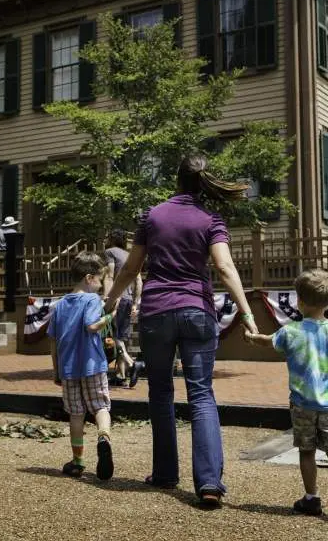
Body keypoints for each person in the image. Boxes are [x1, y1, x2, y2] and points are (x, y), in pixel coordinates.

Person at [104, 155, 258, 508]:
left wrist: (111, 301)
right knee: (201, 394)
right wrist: (246, 313)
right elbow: (224, 266)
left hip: (157, 313)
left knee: (160, 392)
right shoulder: (211, 220)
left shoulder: (152, 216)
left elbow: (130, 269)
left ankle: (165, 473)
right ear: (204, 182)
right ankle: (208, 484)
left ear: (176, 180)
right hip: (197, 312)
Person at [244, 269, 328, 517]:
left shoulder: (290, 332)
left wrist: (251, 336)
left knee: (307, 451)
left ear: (299, 302)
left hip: (302, 404)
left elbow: (267, 341)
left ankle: (311, 497)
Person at [47, 251, 116, 480]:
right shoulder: (92, 300)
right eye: (99, 279)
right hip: (93, 365)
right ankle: (103, 437)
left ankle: (77, 461)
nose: (99, 285)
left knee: (76, 414)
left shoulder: (59, 306)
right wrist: (110, 316)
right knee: (100, 406)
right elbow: (91, 326)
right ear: (89, 278)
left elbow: (53, 343)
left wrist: (56, 371)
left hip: (68, 369)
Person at [104, 228, 144, 388]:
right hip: (128, 300)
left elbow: (109, 276)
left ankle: (132, 364)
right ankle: (121, 376)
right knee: (122, 337)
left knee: (112, 335)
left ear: (111, 239)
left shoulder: (110, 252)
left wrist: (107, 299)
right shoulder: (130, 256)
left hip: (117, 298)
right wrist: (135, 303)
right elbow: (139, 281)